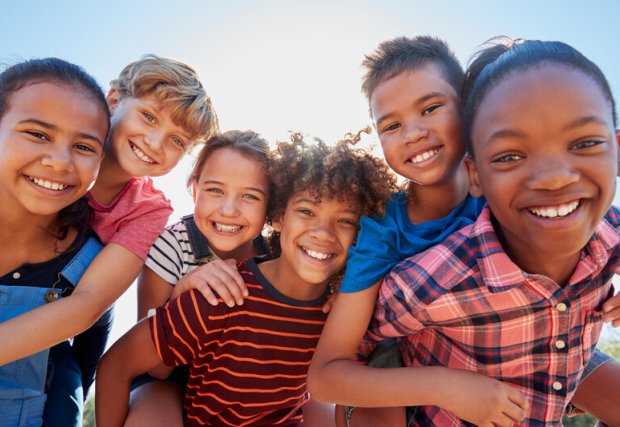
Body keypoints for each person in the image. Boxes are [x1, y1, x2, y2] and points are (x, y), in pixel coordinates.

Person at [307, 36, 620, 426]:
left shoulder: (514, 193)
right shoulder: (384, 232)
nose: (413, 133)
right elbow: (326, 374)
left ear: (471, 112)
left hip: (522, 335)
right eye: (391, 125)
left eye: (431, 107)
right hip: (404, 358)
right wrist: (444, 386)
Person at [95, 132, 395, 426]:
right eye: (306, 211)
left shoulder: (330, 299)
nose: (323, 233)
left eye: (345, 221)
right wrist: (181, 295)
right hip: (167, 373)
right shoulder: (198, 271)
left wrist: (345, 289)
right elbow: (136, 365)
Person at [0, 54, 219, 426]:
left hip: (81, 301)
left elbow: (88, 305)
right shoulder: (51, 160)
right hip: (33, 282)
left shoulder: (147, 207)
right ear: (114, 100)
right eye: (148, 117)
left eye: (176, 140)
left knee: (70, 376)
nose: (154, 142)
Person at [125, 129, 273, 426]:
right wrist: (182, 295)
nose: (229, 209)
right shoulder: (173, 245)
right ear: (194, 190)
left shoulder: (275, 256)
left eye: (250, 196)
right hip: (172, 378)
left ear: (271, 206)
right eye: (215, 190)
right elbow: (155, 366)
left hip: (245, 382)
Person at [0, 58, 109, 427]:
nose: (60, 162)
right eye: (38, 134)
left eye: (83, 146)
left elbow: (89, 345)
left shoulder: (90, 262)